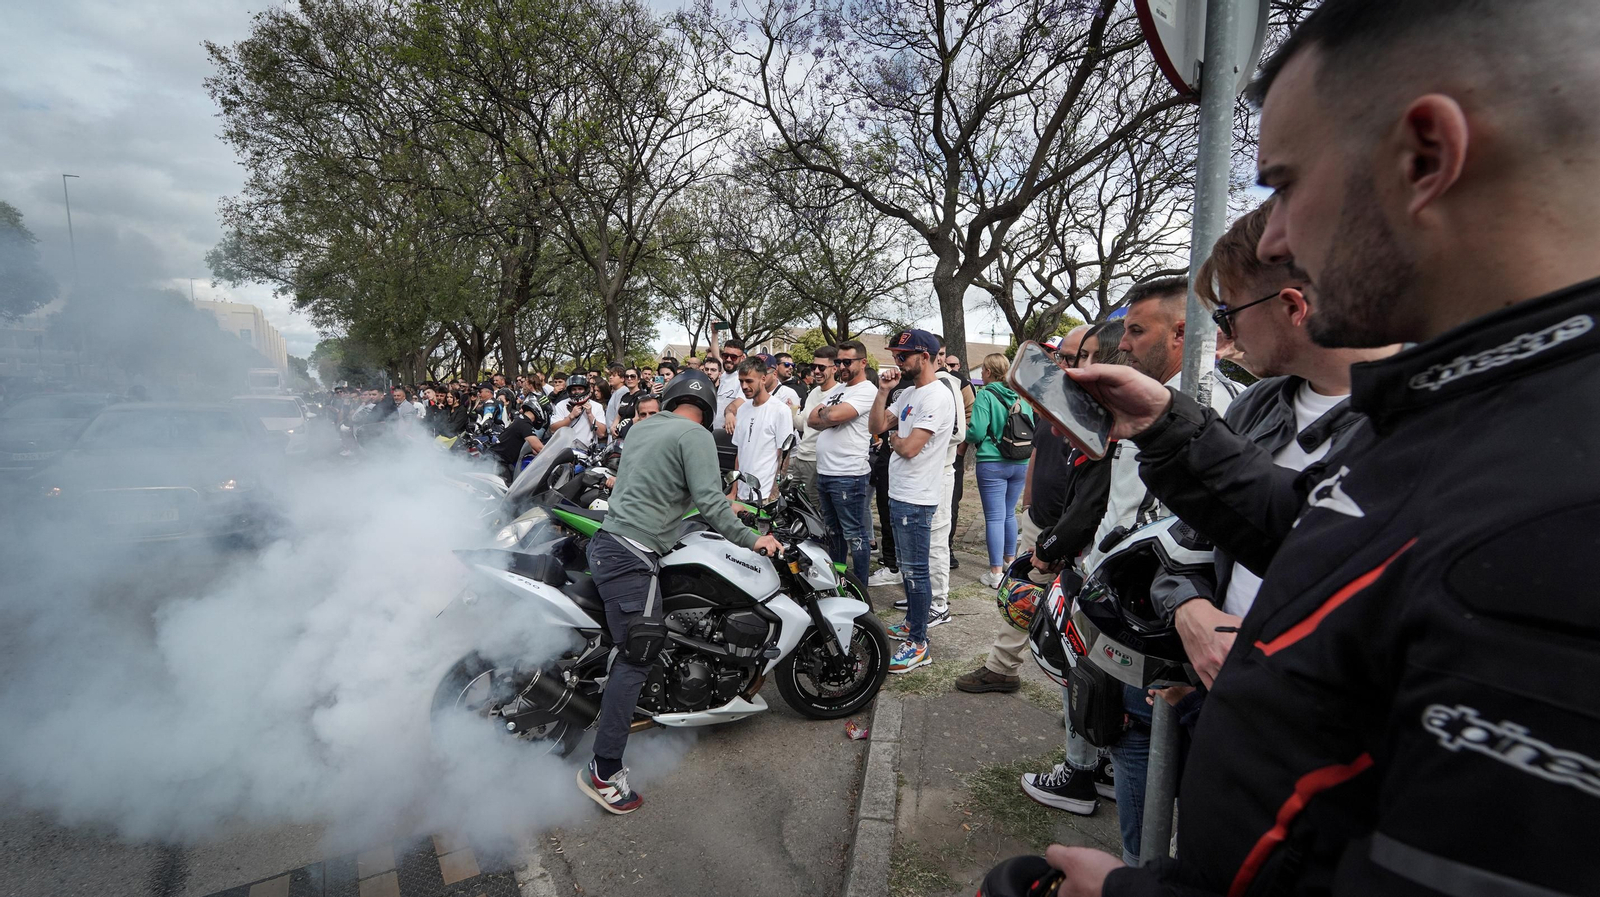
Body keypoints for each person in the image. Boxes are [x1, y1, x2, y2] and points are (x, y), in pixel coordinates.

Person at [1044, 2, 1600, 894]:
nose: (1273, 240)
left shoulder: (1561, 512)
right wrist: (1165, 427)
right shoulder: (1476, 404)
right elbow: (1319, 535)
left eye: (1285, 183)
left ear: (1426, 158)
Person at [1165, 200, 1396, 689]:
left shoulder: (1417, 421)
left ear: (1293, 307)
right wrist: (1190, 610)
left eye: (1227, 315)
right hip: (1225, 694)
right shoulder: (1255, 405)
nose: (1226, 334)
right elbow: (1191, 541)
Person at [578, 371, 782, 814]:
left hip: (608, 542)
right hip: (633, 553)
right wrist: (753, 539)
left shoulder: (644, 427)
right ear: (709, 407)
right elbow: (708, 501)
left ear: (668, 398)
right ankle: (604, 770)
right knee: (638, 654)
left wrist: (724, 506)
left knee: (634, 643)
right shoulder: (696, 435)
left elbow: (663, 488)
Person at [954, 325, 1087, 695]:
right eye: (1059, 357)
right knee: (1022, 595)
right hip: (1040, 520)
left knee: (1082, 611)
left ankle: (1082, 691)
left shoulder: (1100, 409)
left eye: (1071, 357)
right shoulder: (1052, 398)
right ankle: (1002, 668)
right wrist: (1028, 501)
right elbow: (1039, 451)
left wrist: (1065, 532)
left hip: (1077, 530)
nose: (1060, 364)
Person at [869, 330, 956, 674]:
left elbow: (908, 447)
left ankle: (919, 643)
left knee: (917, 572)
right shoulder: (907, 393)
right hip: (900, 492)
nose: (897, 361)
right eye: (895, 355)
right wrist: (882, 392)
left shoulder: (937, 397)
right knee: (907, 567)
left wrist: (894, 436)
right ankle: (911, 623)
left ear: (926, 356)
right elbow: (876, 427)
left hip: (918, 497)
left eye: (903, 356)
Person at [808, 341, 877, 586]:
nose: (841, 367)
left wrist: (827, 414)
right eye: (838, 362)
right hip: (827, 472)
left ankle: (859, 589)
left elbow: (831, 415)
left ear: (863, 363)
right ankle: (838, 582)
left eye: (847, 362)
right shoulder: (841, 390)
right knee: (833, 533)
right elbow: (811, 420)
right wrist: (827, 415)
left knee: (855, 535)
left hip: (848, 474)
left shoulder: (866, 390)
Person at [965, 353, 1032, 588]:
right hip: (1021, 462)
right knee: (1008, 513)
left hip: (992, 461)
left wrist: (964, 433)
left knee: (994, 516)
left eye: (983, 369)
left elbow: (976, 432)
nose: (981, 373)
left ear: (990, 372)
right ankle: (1009, 562)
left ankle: (994, 573)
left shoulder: (985, 395)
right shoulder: (1022, 396)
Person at [731, 357, 794, 502]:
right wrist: (734, 490)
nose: (744, 386)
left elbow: (784, 455)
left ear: (763, 379)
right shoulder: (742, 409)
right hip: (741, 494)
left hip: (764, 494)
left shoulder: (780, 410)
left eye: (749, 381)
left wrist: (774, 493)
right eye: (741, 381)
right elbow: (739, 453)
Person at [792, 344, 838, 509]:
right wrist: (788, 411)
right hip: (800, 456)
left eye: (821, 367)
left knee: (816, 507)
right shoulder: (814, 392)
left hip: (817, 461)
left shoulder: (839, 393)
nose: (816, 371)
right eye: (813, 367)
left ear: (834, 368)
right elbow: (803, 425)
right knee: (788, 498)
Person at [493, 399, 544, 484]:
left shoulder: (520, 420)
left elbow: (534, 449)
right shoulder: (525, 424)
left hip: (499, 459)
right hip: (498, 461)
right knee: (504, 493)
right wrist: (555, 457)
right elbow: (539, 448)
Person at [548, 374, 608, 445]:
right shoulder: (561, 405)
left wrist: (590, 415)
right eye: (574, 389)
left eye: (580, 389)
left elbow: (601, 434)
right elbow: (553, 429)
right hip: (565, 450)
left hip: (587, 450)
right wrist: (570, 417)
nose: (577, 392)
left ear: (586, 389)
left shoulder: (597, 406)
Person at [715, 339, 746, 431]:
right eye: (725, 356)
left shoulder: (743, 379)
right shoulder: (723, 375)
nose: (728, 359)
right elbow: (715, 354)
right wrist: (714, 334)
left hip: (732, 432)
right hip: (715, 432)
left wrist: (729, 413)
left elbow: (740, 401)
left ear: (742, 358)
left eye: (733, 357)